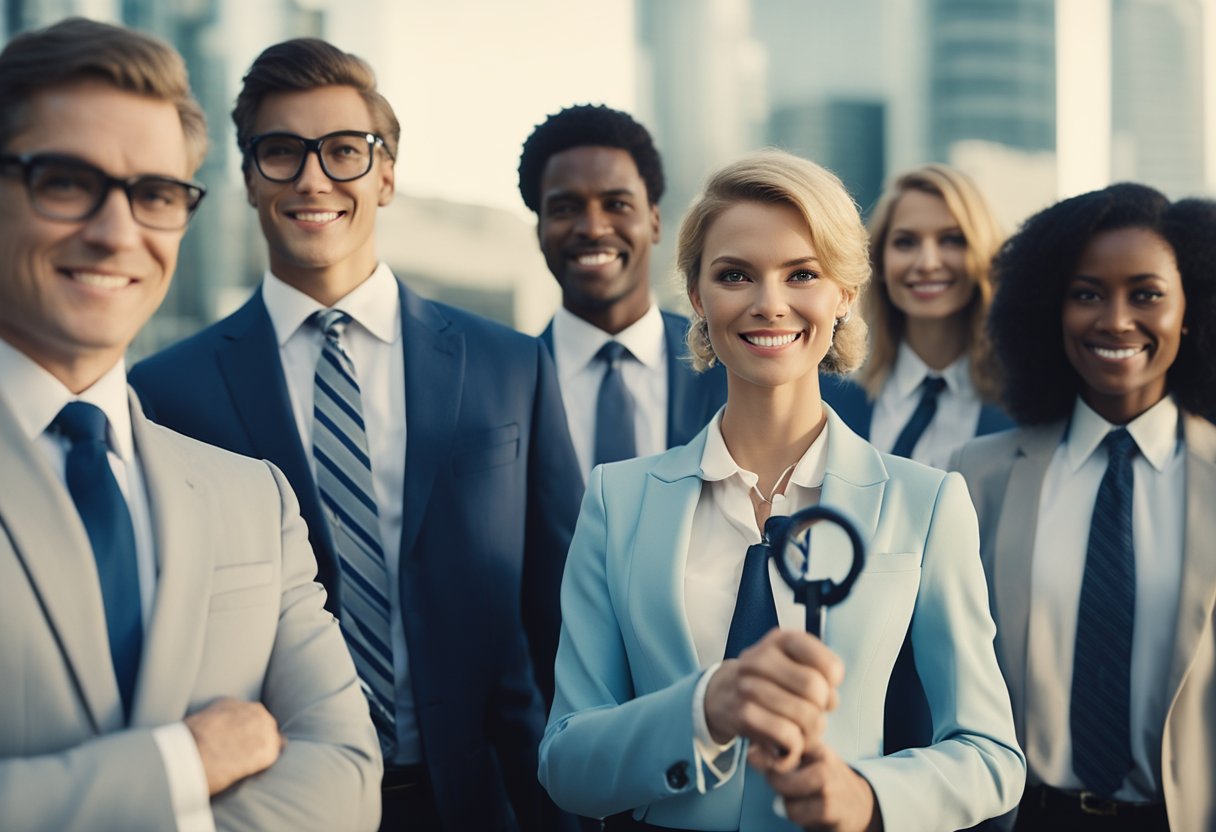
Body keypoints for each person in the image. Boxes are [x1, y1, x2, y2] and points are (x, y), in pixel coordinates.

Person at [130, 37, 581, 831]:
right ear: (246, 178)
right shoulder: (166, 394)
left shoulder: (510, 366)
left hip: (486, 800)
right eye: (281, 152)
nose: (312, 178)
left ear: (387, 174)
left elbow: (563, 610)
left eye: (344, 151)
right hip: (272, 806)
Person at [540, 149, 1024, 831]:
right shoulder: (618, 502)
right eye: (736, 275)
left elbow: (991, 755)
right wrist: (704, 710)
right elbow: (565, 763)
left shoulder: (927, 502)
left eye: (803, 274)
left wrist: (868, 796)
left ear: (845, 295)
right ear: (700, 297)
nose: (770, 304)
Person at [0, 18, 380, 831]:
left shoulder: (254, 499)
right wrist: (182, 767)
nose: (116, 230)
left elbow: (347, 774)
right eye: (66, 181)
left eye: (155, 195)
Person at [952, 183, 1216, 832]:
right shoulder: (975, 477)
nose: (1116, 320)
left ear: (1190, 310)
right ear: (1050, 308)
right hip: (1021, 818)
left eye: (1146, 294)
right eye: (1087, 293)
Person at [518, 104, 727, 482]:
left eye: (616, 204)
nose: (593, 228)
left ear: (654, 221)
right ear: (539, 231)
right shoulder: (506, 385)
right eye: (565, 208)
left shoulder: (730, 370)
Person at [821, 164, 1012, 470]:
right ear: (879, 261)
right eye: (905, 242)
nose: (927, 263)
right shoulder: (829, 395)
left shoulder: (1022, 405)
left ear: (985, 254)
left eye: (952, 240)